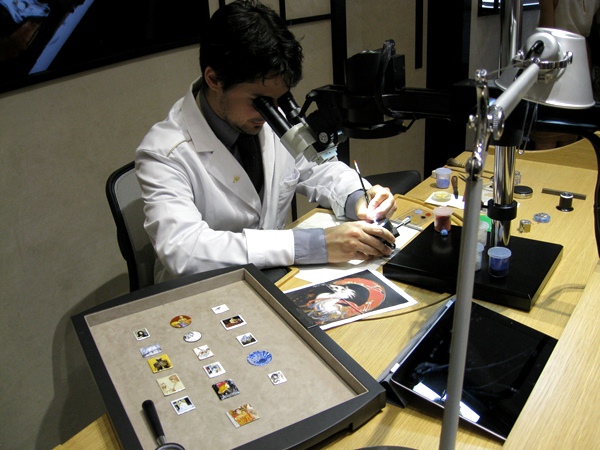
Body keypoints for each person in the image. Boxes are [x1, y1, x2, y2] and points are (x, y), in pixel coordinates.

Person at [135, 0, 397, 284]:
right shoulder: (163, 152)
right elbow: (185, 251)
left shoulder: (268, 118)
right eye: (259, 101)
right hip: (206, 290)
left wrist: (358, 197)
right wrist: (315, 244)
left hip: (274, 278)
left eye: (280, 100)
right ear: (214, 79)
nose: (270, 113)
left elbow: (317, 167)